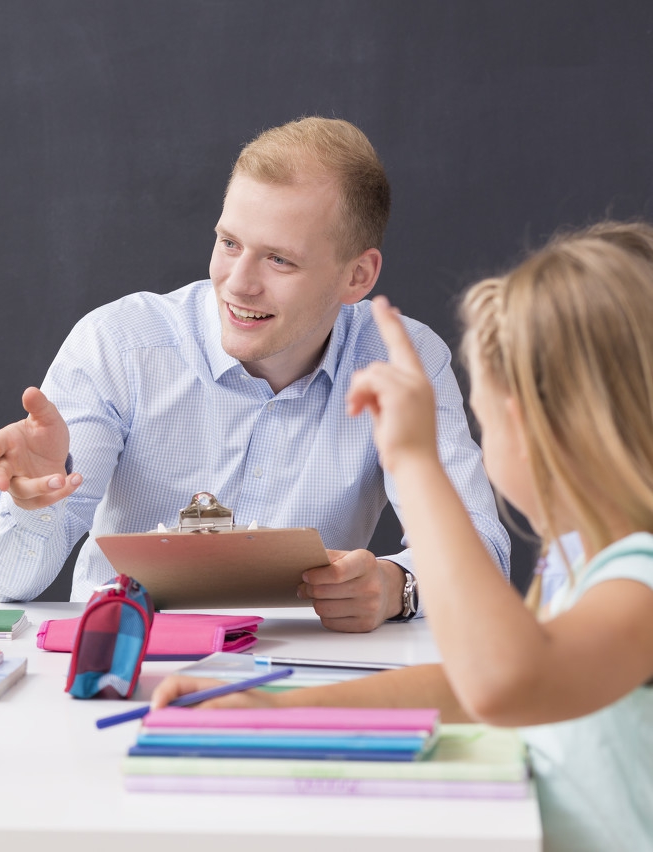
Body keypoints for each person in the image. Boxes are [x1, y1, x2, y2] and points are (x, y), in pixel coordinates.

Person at [153, 224, 653, 849]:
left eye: (485, 415)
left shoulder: (640, 579)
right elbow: (468, 684)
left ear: (531, 426)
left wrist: (415, 460)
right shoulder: (580, 564)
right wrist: (278, 714)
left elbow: (502, 682)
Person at [0, 116, 510, 632]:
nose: (238, 284)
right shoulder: (120, 344)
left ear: (358, 275)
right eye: (229, 243)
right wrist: (30, 503)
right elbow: (7, 583)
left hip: (306, 677)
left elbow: (483, 558)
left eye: (279, 260)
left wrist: (399, 586)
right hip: (128, 662)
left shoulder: (401, 359)